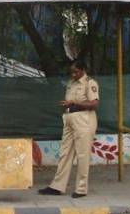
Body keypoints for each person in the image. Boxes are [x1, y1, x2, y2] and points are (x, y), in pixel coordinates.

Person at [39, 59, 99, 198]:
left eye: (76, 72)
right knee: (65, 153)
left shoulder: (90, 83)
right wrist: (68, 105)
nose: (73, 74)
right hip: (70, 118)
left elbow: (94, 104)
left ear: (83, 70)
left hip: (84, 120)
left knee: (82, 155)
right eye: (71, 72)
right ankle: (57, 186)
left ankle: (81, 189)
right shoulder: (71, 83)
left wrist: (74, 102)